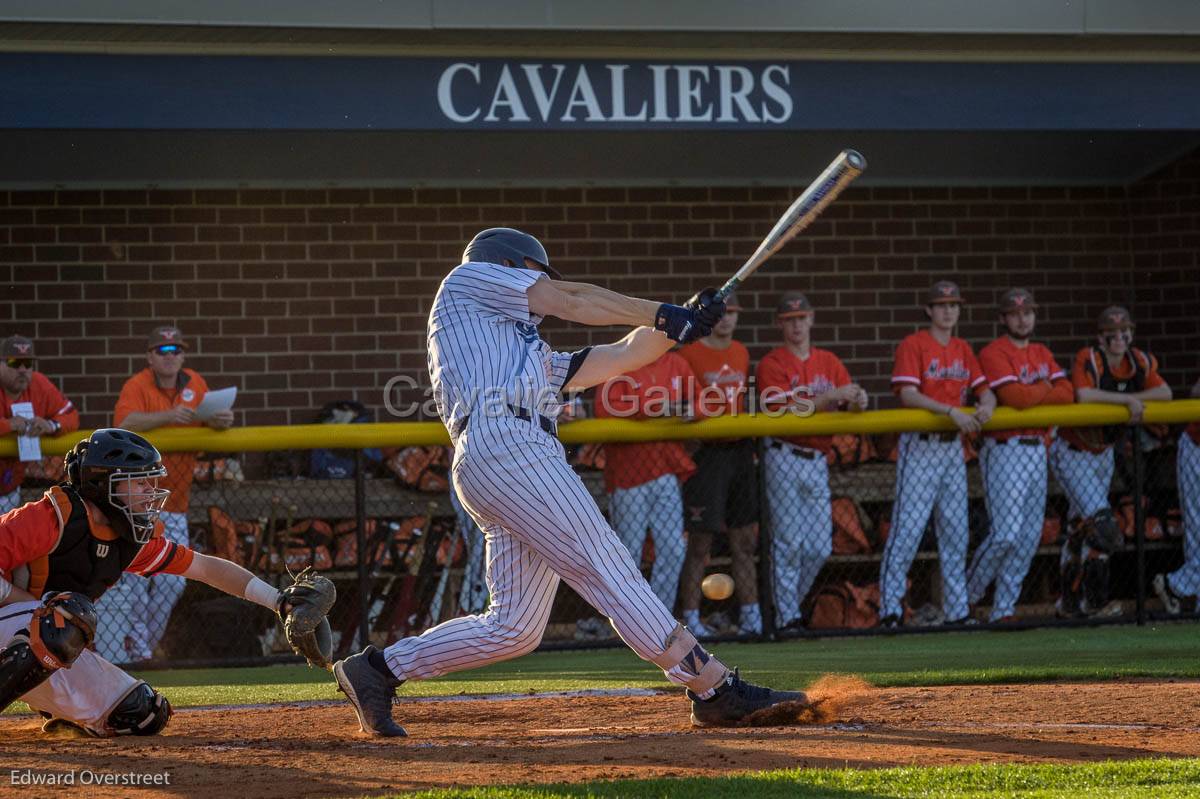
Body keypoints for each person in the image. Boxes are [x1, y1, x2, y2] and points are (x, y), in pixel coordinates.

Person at [332, 227, 806, 736]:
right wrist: (662, 312)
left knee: (513, 628)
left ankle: (377, 671)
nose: (542, 287)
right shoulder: (467, 280)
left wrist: (684, 322)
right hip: (510, 447)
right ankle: (713, 687)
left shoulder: (523, 350)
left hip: (499, 458)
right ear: (512, 265)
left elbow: (623, 354)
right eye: (538, 273)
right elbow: (570, 298)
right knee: (606, 563)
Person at [0, 429, 303, 737]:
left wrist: (279, 601)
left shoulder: (127, 538)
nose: (150, 491)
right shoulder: (50, 517)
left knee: (143, 713)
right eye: (139, 481)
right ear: (105, 484)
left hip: (27, 640)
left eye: (150, 481)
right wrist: (25, 600)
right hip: (20, 630)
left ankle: (64, 709)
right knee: (64, 621)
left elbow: (205, 567)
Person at [97, 325, 234, 663]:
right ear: (150, 357)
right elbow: (123, 423)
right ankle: (139, 652)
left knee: (174, 582)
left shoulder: (195, 383)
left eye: (176, 351)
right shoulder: (138, 384)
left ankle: (145, 646)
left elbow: (209, 420)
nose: (170, 357)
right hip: (136, 501)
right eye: (163, 351)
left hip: (175, 501)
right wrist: (168, 416)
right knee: (138, 582)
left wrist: (220, 421)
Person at [878, 282, 995, 628]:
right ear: (929, 310)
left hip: (952, 451)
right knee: (907, 531)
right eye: (941, 305)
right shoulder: (913, 344)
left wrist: (986, 405)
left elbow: (985, 391)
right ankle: (890, 610)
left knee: (956, 532)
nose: (948, 311)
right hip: (921, 445)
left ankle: (957, 610)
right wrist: (951, 412)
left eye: (953, 305)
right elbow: (908, 395)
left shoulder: (962, 348)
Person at [756, 291, 868, 632]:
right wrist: (830, 397)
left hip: (816, 458)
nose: (796, 326)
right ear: (780, 324)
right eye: (789, 320)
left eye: (801, 318)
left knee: (819, 545)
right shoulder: (771, 364)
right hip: (783, 455)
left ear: (811, 319)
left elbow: (849, 403)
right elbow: (778, 410)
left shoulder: (829, 362)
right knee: (789, 542)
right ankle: (786, 616)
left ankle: (785, 608)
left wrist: (857, 399)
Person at [1051, 306, 1172, 618]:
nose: (1119, 338)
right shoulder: (1089, 357)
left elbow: (1165, 393)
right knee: (1104, 526)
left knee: (1081, 527)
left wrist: (1135, 400)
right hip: (1073, 450)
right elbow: (1085, 395)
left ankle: (1068, 603)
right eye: (1111, 333)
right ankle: (1095, 603)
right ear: (1100, 337)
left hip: (1103, 452)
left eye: (1124, 332)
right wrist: (1127, 401)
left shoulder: (1139, 361)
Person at [967, 289, 1074, 622]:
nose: (1022, 318)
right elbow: (1015, 397)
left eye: (1028, 312)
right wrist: (1044, 388)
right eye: (1014, 313)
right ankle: (965, 599)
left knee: (1028, 536)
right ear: (1003, 319)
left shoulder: (1042, 351)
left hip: (1036, 449)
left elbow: (1068, 394)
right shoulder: (994, 351)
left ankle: (1004, 609)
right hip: (1005, 449)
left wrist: (1035, 393)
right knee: (1006, 533)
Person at [676, 293, 764, 637]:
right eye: (722, 314)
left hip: (739, 451)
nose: (727, 320)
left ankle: (752, 616)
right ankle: (692, 618)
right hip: (706, 452)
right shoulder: (690, 353)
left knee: (744, 540)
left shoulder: (741, 352)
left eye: (734, 313)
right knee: (700, 542)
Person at [594, 350, 699, 612]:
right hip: (628, 472)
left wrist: (690, 410)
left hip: (666, 467)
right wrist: (653, 408)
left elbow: (704, 400)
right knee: (628, 550)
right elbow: (604, 407)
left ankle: (659, 617)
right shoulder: (620, 360)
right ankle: (628, 616)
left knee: (673, 548)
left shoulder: (677, 363)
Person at [0, 335, 80, 513]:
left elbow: (71, 416)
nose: (22, 369)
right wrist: (9, 425)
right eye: (14, 362)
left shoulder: (38, 384)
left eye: (27, 364)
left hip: (10, 485)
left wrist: (51, 425)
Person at [1153, 376, 1200, 616]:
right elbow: (1196, 391)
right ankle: (1178, 586)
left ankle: (1177, 585)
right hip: (1197, 447)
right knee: (1197, 530)